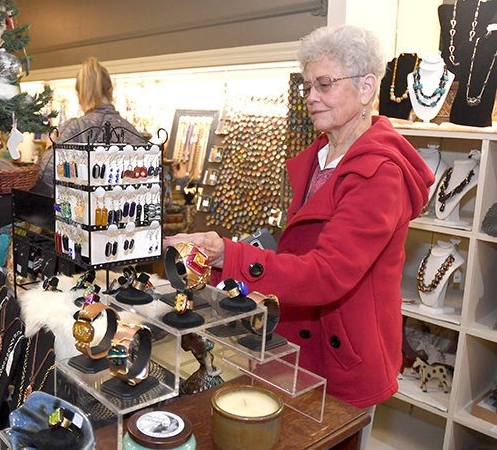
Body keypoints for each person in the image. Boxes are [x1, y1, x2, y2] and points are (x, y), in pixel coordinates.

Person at [165, 25, 434, 422]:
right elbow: (301, 254)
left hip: (344, 356)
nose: (311, 97)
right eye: (308, 86)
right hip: (294, 343)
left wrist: (228, 252)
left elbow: (328, 272)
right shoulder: (320, 158)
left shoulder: (379, 174)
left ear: (366, 88)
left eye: (324, 84)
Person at [34, 57, 142, 196]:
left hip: (84, 214)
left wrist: (50, 147)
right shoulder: (132, 131)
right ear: (110, 91)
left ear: (80, 95)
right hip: (124, 214)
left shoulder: (74, 128)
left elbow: (46, 177)